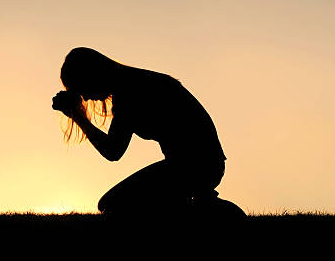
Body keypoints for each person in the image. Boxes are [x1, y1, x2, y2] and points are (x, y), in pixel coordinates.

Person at [51, 47, 227, 217]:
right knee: (113, 203)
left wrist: (79, 117)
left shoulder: (128, 93)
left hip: (195, 167)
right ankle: (202, 203)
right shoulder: (135, 81)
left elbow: (113, 151)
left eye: (82, 89)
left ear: (91, 75)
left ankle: (209, 210)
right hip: (201, 165)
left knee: (113, 205)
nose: (86, 98)